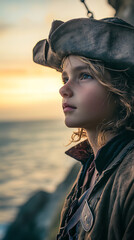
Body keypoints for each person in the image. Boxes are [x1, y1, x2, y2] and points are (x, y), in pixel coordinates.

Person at [33, 17, 134, 240]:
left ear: (121, 90)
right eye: (65, 78)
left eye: (85, 76)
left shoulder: (131, 177)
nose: (64, 90)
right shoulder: (90, 166)